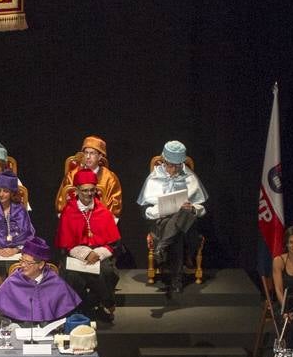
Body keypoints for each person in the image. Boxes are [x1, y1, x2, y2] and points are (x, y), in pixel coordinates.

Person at [138, 140, 208, 296]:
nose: (174, 169)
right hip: (161, 224)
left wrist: (193, 208)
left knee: (184, 215)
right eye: (170, 165)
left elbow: (202, 209)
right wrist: (161, 210)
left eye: (178, 165)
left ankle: (161, 247)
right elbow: (146, 212)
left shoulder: (189, 177)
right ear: (163, 161)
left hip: (187, 227)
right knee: (177, 234)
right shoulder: (154, 177)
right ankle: (177, 280)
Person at [55, 168, 121, 321]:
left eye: (92, 190)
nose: (89, 194)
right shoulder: (68, 211)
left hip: (99, 253)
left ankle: (91, 306)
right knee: (73, 275)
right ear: (77, 191)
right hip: (75, 254)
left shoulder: (103, 210)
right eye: (85, 191)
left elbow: (114, 243)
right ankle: (96, 305)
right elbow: (66, 244)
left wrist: (97, 253)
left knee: (108, 272)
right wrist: (85, 253)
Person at [0, 236, 81, 328]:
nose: (23, 265)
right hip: (19, 333)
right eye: (21, 260)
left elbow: (68, 313)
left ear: (41, 264)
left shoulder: (55, 282)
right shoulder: (12, 281)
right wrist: (9, 325)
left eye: (28, 263)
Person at [55, 135, 123, 215]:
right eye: (86, 153)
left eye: (92, 153)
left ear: (100, 156)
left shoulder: (110, 178)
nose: (88, 157)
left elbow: (115, 206)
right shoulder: (72, 175)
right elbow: (61, 201)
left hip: (101, 221)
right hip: (75, 219)